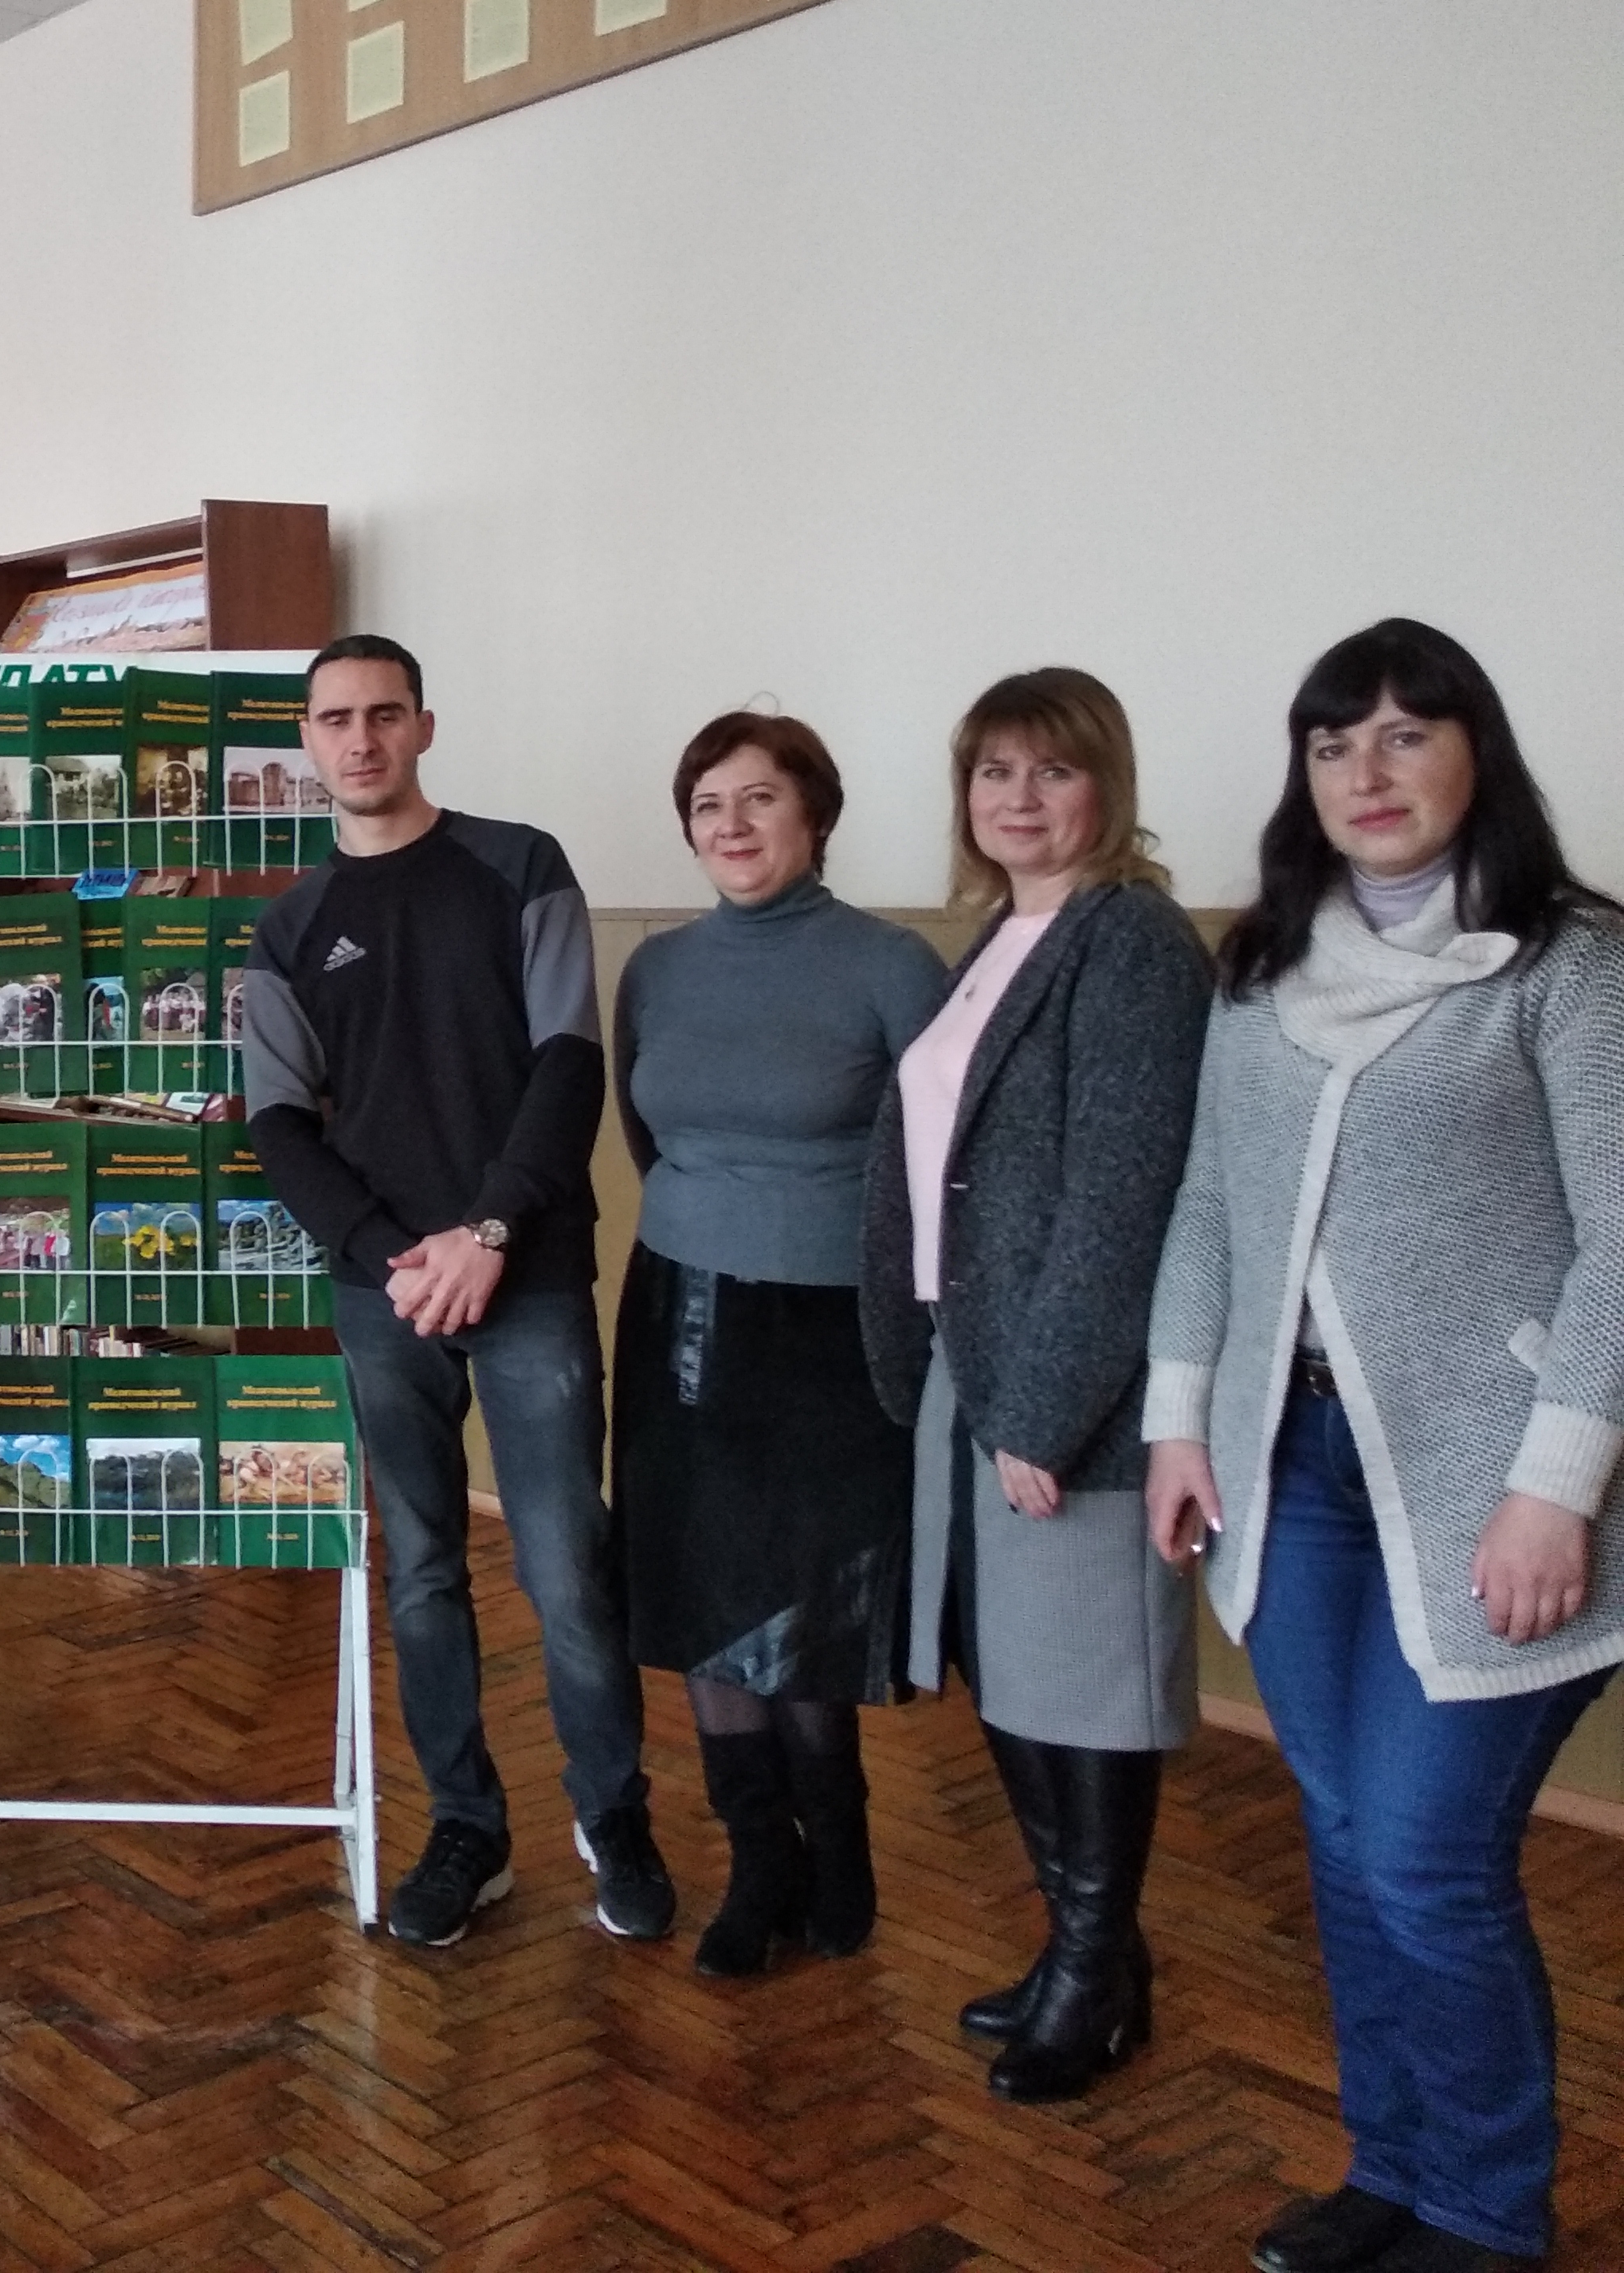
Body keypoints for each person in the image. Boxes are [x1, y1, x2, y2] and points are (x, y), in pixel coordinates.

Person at [1147, 621, 1624, 2273]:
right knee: (1347, 1847)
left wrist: (1553, 1488)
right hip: (1288, 1469)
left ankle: (1487, 2215)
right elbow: (1207, 1208)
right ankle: (1393, 2171)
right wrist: (1179, 1422)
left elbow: (1621, 1242)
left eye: (1408, 734)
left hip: (1486, 1480)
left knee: (1425, 1855)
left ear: (1475, 753)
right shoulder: (1262, 970)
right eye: (1334, 740)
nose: (1368, 769)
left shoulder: (1568, 965)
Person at [239, 634, 673, 1950]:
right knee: (423, 1569)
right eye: (335, 719)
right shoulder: (290, 927)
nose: (361, 739)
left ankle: (615, 1819)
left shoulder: (520, 866)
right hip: (385, 1293)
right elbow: (277, 1123)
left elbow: (568, 1063)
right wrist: (394, 1254)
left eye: (385, 714)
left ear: (424, 727)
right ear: (307, 743)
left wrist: (487, 1231)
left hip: (524, 1273)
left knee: (567, 1566)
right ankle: (466, 1831)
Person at [861, 666, 1210, 2104]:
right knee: (1010, 1676)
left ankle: (1094, 1976)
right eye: (993, 771)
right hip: (976, 1362)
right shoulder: (1003, 938)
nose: (1018, 797)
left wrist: (1045, 1410)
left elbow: (1123, 1203)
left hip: (1071, 1394)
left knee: (1088, 1688)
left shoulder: (1130, 944)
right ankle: (1092, 1952)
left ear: (1105, 787)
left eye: (1051, 771)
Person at [611, 713, 945, 1975]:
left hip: (834, 1325)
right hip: (681, 1309)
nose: (732, 825)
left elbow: (942, 1169)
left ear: (816, 814)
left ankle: (840, 1845)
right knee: (704, 1595)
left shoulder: (893, 965)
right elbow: (647, 1135)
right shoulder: (656, 969)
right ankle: (760, 1861)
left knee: (807, 1600)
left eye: (759, 798)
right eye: (708, 804)